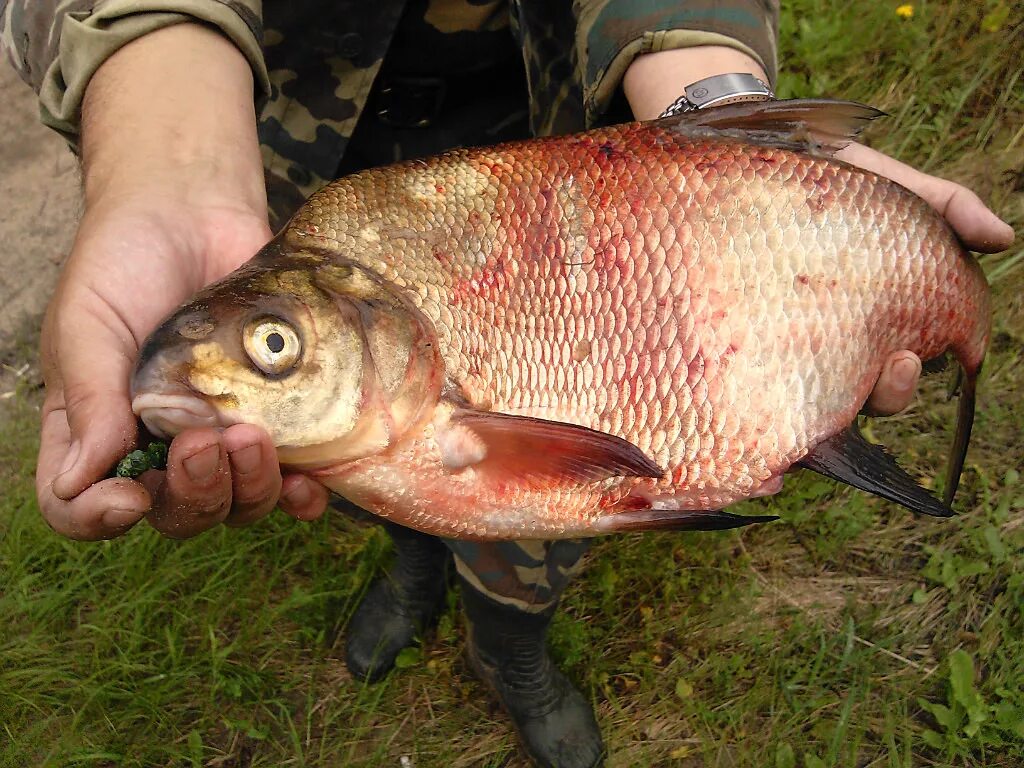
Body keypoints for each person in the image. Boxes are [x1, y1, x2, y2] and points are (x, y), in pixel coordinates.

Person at [1, 2, 1013, 766]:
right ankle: (411, 571)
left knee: (536, 518)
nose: (237, 368)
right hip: (275, 160)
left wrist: (710, 106)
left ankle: (508, 646)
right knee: (355, 474)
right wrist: (165, 165)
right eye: (278, 346)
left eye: (270, 345)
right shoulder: (306, 269)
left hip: (594, 168)